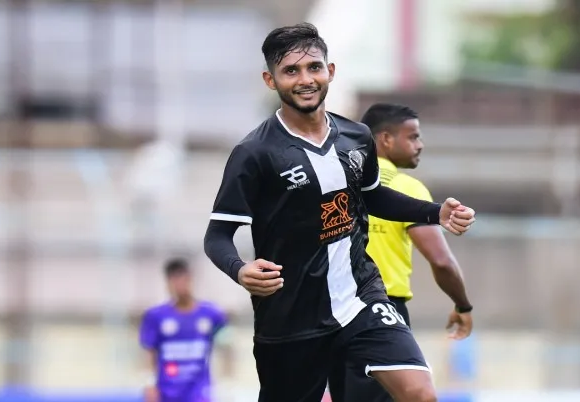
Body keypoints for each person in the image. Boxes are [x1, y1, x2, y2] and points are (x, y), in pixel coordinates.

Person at [203, 23, 476, 402]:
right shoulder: (254, 153)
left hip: (361, 296)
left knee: (420, 394)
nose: (305, 79)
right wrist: (239, 269)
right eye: (291, 71)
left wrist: (435, 212)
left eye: (313, 67)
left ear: (330, 71)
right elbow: (217, 237)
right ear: (270, 80)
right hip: (290, 315)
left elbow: (373, 198)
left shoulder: (357, 137)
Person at [328, 103, 474, 402]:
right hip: (381, 310)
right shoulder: (406, 187)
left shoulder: (339, 183)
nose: (420, 145)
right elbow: (441, 261)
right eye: (413, 137)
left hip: (333, 312)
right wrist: (463, 306)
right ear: (385, 139)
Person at [139, 258, 229, 402]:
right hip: (166, 392)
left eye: (183, 278)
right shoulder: (155, 316)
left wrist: (227, 383)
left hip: (199, 392)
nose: (179, 284)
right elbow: (149, 351)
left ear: (190, 279)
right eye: (174, 280)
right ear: (168, 283)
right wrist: (149, 383)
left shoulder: (212, 314)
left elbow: (227, 346)